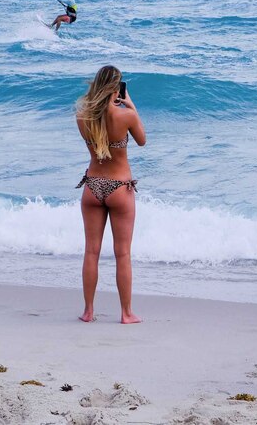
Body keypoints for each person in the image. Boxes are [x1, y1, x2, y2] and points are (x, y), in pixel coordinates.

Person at [75, 65, 146, 324]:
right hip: (119, 187)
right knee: (122, 253)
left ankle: (88, 311)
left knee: (91, 252)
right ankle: (126, 313)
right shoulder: (126, 115)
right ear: (116, 88)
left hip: (92, 185)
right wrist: (131, 106)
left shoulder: (82, 116)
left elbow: (97, 138)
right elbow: (142, 140)